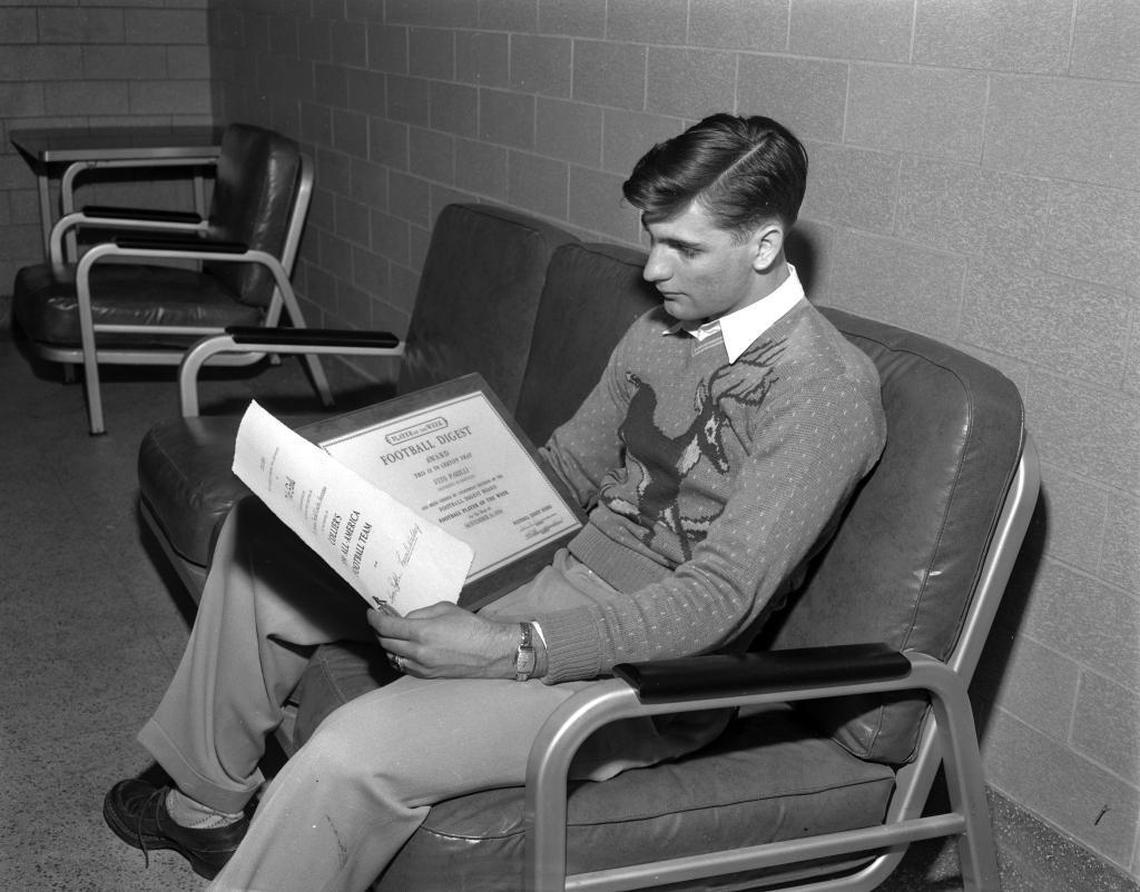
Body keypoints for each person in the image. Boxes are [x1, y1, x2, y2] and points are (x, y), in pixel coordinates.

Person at [104, 113, 887, 891]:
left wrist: (512, 648)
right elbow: (566, 473)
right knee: (262, 537)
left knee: (350, 751)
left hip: (647, 672)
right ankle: (202, 808)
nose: (653, 269)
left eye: (683, 247)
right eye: (652, 239)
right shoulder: (664, 330)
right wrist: (405, 504)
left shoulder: (824, 389)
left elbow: (719, 598)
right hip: (545, 572)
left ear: (763, 245)